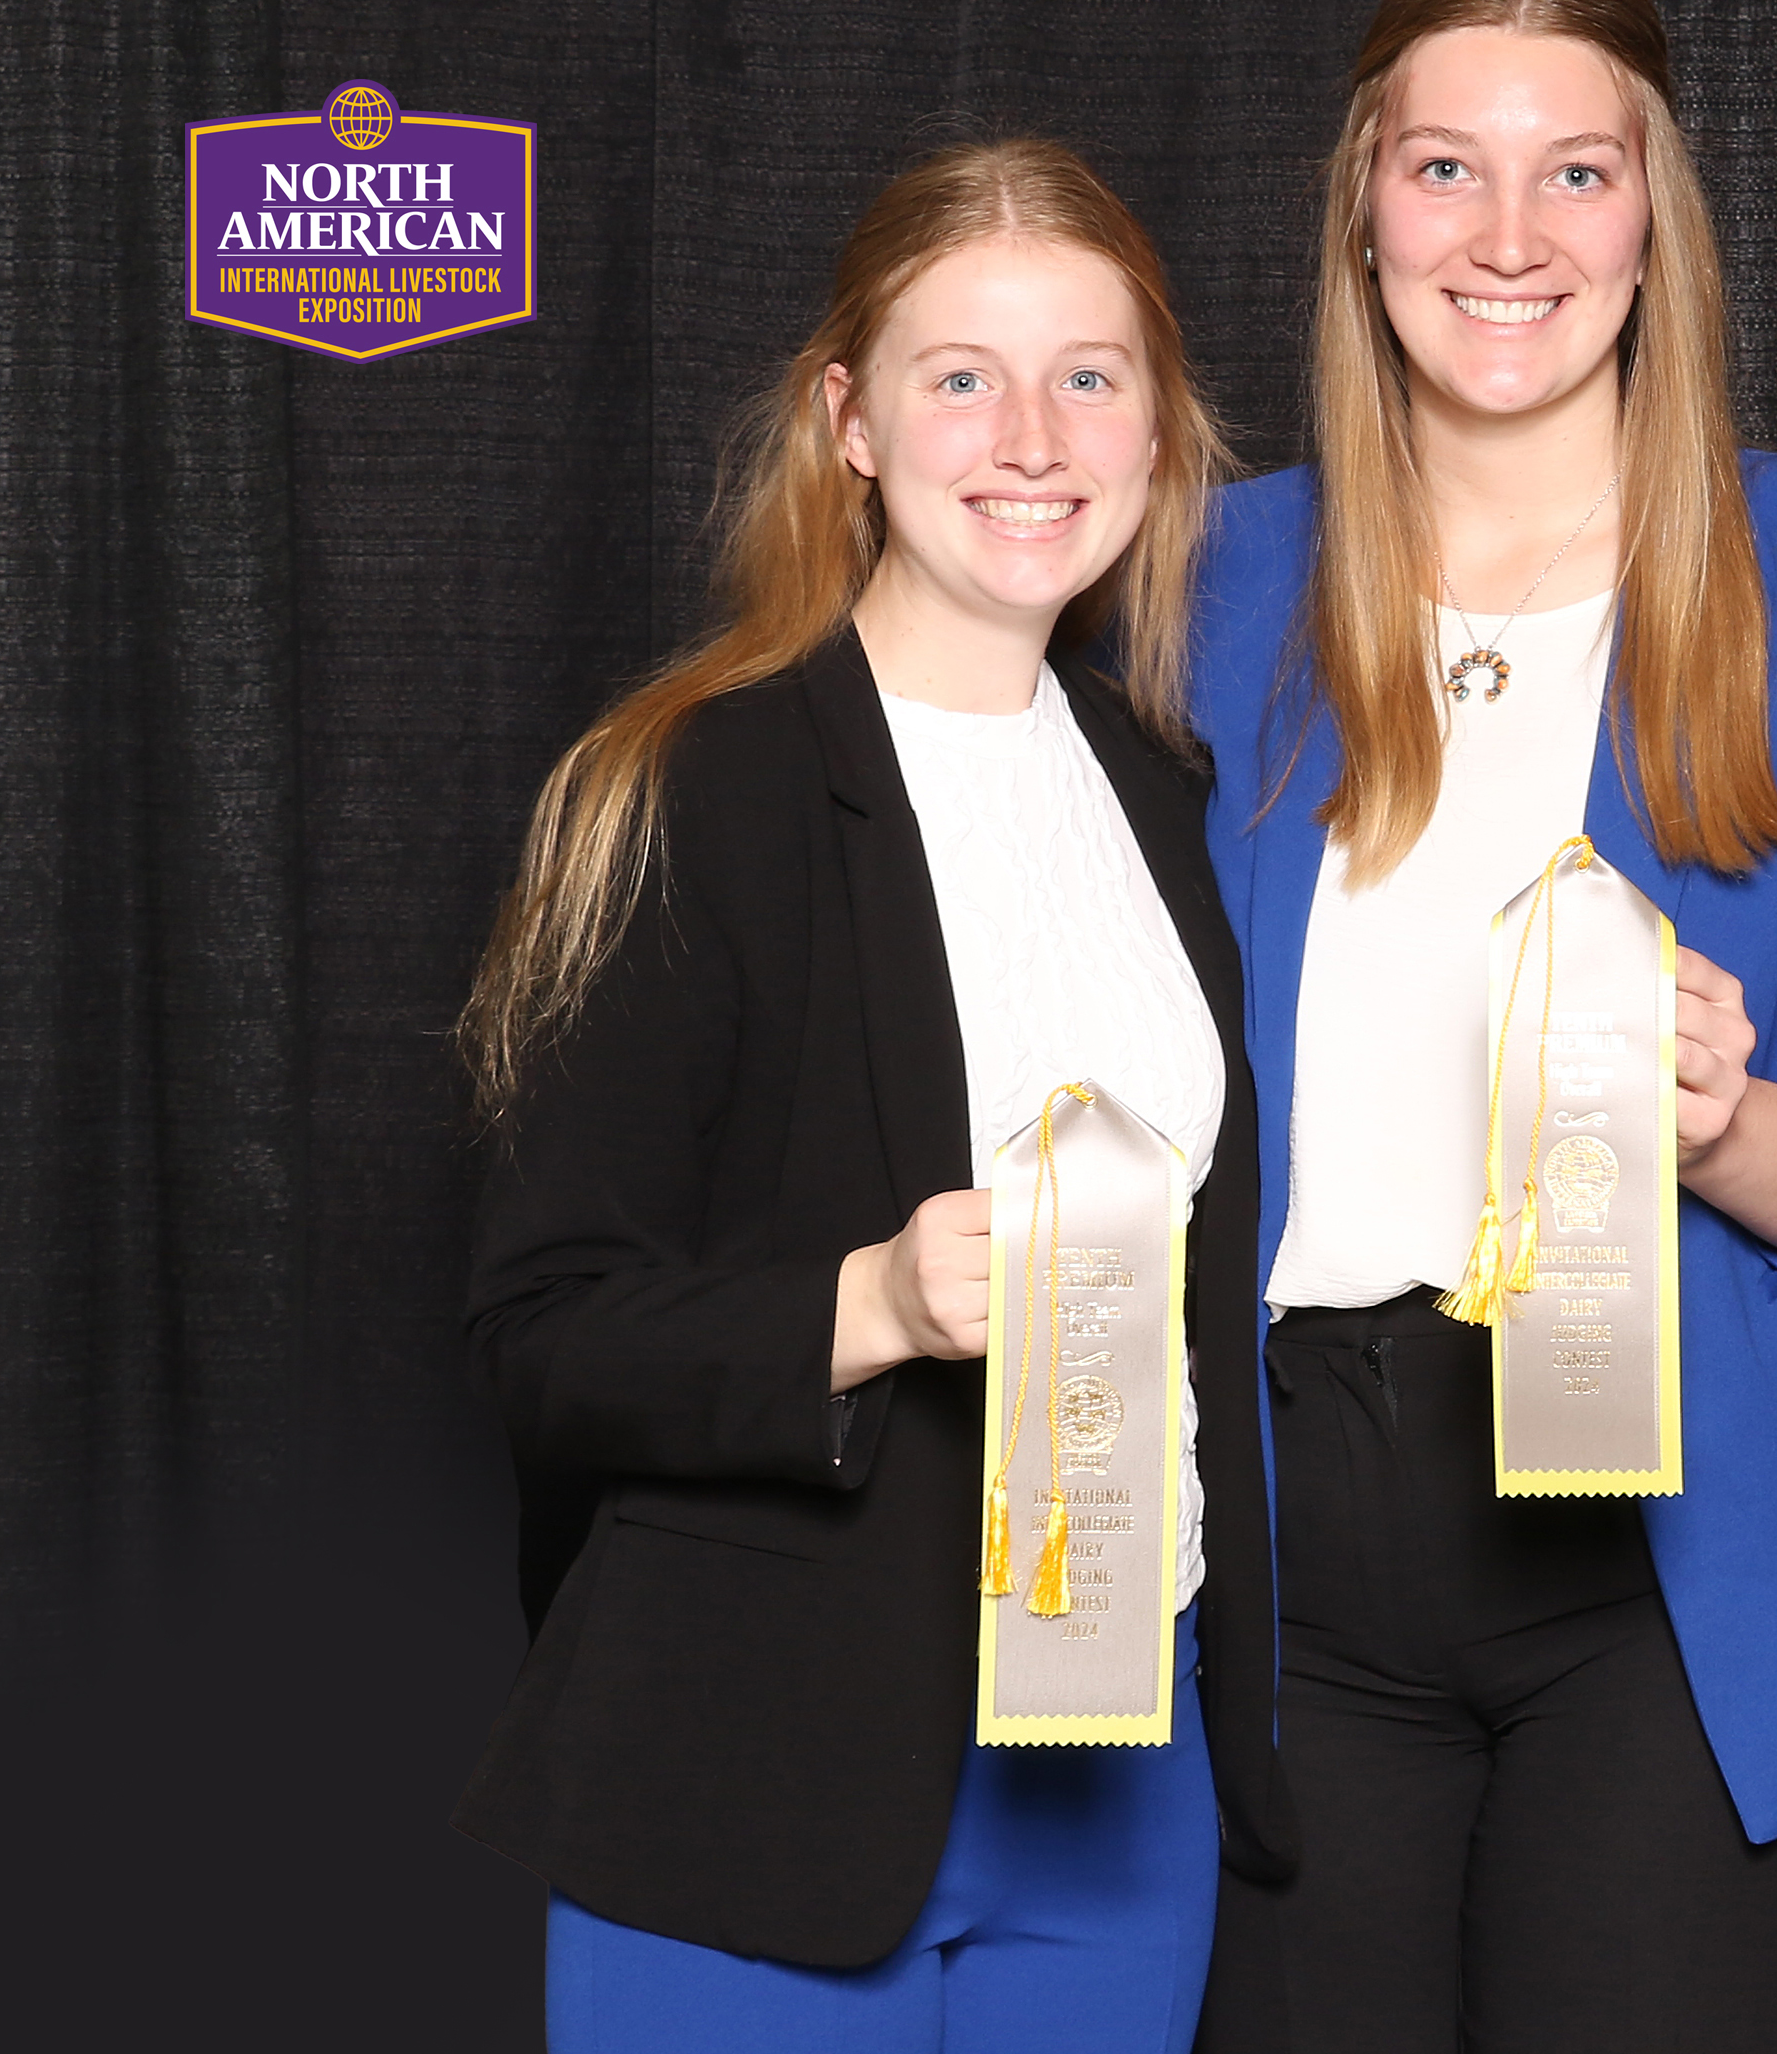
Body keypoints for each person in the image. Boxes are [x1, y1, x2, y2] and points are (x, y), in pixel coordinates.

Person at [1186, 0, 1777, 2054]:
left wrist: (1717, 1126)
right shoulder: (1217, 574)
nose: (1512, 236)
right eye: (1447, 169)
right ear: (1364, 211)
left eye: (1578, 171)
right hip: (1292, 1549)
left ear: (1656, 216)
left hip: (1674, 1560)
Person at [452, 139, 1279, 2054]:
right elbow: (542, 1336)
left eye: (1091, 374)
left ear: (1157, 433)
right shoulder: (693, 789)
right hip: (763, 1765)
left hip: (1120, 1782)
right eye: (958, 373)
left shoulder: (1168, 794)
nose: (1031, 433)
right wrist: (875, 1307)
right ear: (849, 420)